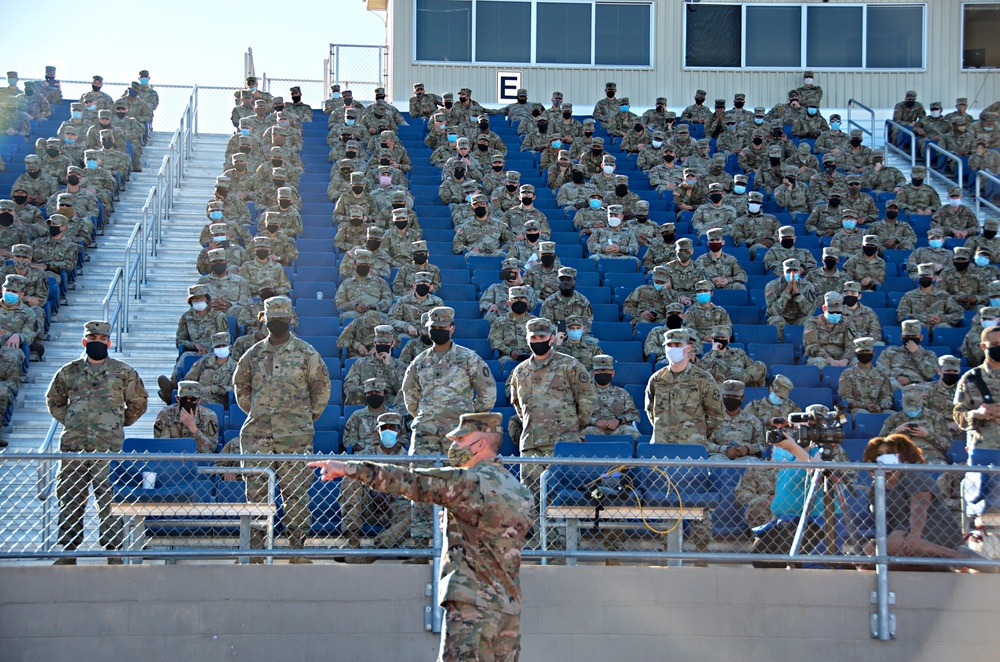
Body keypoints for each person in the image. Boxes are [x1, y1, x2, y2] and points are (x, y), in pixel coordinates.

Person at [310, 411, 534, 660]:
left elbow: (410, 480)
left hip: (473, 608)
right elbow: (494, 533)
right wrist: (453, 522)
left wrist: (350, 468)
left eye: (460, 440)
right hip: (508, 610)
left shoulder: (468, 482)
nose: (454, 446)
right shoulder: (519, 490)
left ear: (479, 444)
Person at [232, 297, 331, 563]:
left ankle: (296, 550)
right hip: (258, 435)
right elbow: (241, 388)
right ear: (263, 320)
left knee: (296, 492)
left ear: (290, 320)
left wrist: (305, 418)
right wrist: (258, 412)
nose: (277, 323)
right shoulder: (252, 355)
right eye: (272, 318)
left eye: (281, 318)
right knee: (255, 492)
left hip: (295, 435)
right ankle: (254, 550)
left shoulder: (306, 353)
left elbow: (321, 388)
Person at [46, 321, 148, 565]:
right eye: (92, 338)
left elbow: (139, 402)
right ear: (84, 342)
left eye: (102, 339)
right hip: (74, 446)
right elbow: (54, 401)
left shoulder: (124, 372)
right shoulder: (68, 372)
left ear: (109, 343)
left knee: (110, 498)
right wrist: (72, 421)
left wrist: (116, 423)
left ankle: (113, 551)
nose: (97, 342)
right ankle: (68, 550)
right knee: (70, 496)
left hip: (108, 447)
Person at [401, 306, 497, 546]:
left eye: (443, 328)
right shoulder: (420, 361)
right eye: (434, 328)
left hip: (458, 437)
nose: (438, 331)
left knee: (461, 487)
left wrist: (469, 419)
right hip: (426, 434)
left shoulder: (468, 358)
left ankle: (461, 542)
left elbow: (487, 391)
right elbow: (410, 396)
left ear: (452, 328)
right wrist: (426, 417)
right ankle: (422, 543)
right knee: (421, 486)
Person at [509, 317, 596, 548]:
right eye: (533, 337)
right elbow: (518, 405)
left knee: (561, 494)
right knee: (530, 497)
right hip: (532, 443)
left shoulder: (569, 365)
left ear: (551, 337)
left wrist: (574, 427)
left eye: (542, 337)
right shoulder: (520, 372)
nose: (538, 341)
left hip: (563, 442)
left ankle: (564, 545)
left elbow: (587, 400)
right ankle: (540, 543)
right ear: (527, 339)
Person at [861, 435, 988, 567]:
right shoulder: (875, 488)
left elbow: (920, 506)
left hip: (931, 528)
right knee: (870, 548)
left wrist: (915, 535)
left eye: (889, 453)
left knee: (894, 542)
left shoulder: (913, 476)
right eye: (879, 454)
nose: (884, 457)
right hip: (900, 532)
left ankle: (959, 556)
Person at [954, 326, 1000, 452]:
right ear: (984, 346)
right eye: (995, 344)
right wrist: (976, 414)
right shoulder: (970, 378)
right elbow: (958, 415)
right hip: (983, 449)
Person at [582, 355, 641, 441]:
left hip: (618, 429)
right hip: (594, 429)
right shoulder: (585, 393)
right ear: (593, 373)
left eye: (606, 371)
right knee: (582, 435)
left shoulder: (622, 393)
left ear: (612, 373)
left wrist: (618, 420)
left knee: (633, 434)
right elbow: (577, 415)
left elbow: (635, 414)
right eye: (599, 371)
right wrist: (595, 421)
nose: (603, 373)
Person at [153, 380, 220, 454]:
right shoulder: (165, 414)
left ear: (199, 400)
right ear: (177, 399)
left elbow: (210, 449)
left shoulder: (209, 416)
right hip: (173, 459)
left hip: (197, 460)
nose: (188, 402)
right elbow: (162, 445)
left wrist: (193, 428)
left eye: (193, 399)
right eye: (184, 399)